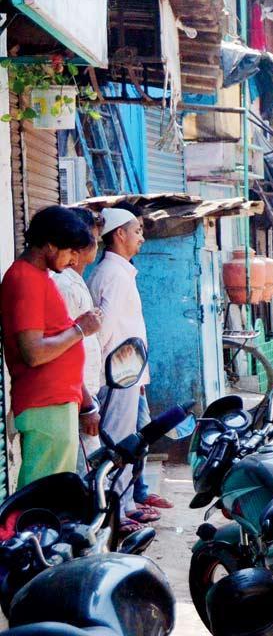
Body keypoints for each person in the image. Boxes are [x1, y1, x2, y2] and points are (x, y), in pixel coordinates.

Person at [1, 206, 101, 488]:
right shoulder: (25, 279)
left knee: (54, 491)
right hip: (45, 403)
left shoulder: (39, 277)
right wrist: (81, 330)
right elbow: (33, 352)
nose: (73, 260)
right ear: (49, 245)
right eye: (70, 251)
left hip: (55, 402)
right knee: (43, 495)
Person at [87, 206, 156, 531]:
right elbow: (104, 330)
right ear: (119, 235)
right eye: (137, 231)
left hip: (128, 373)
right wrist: (98, 378)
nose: (141, 238)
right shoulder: (113, 275)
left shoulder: (121, 272)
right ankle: (116, 510)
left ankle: (126, 504)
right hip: (116, 375)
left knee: (129, 440)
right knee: (117, 443)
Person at [52, 208, 107, 471]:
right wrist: (86, 405)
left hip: (81, 393)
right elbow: (66, 348)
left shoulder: (75, 282)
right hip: (75, 396)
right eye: (94, 238)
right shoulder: (63, 284)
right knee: (85, 472)